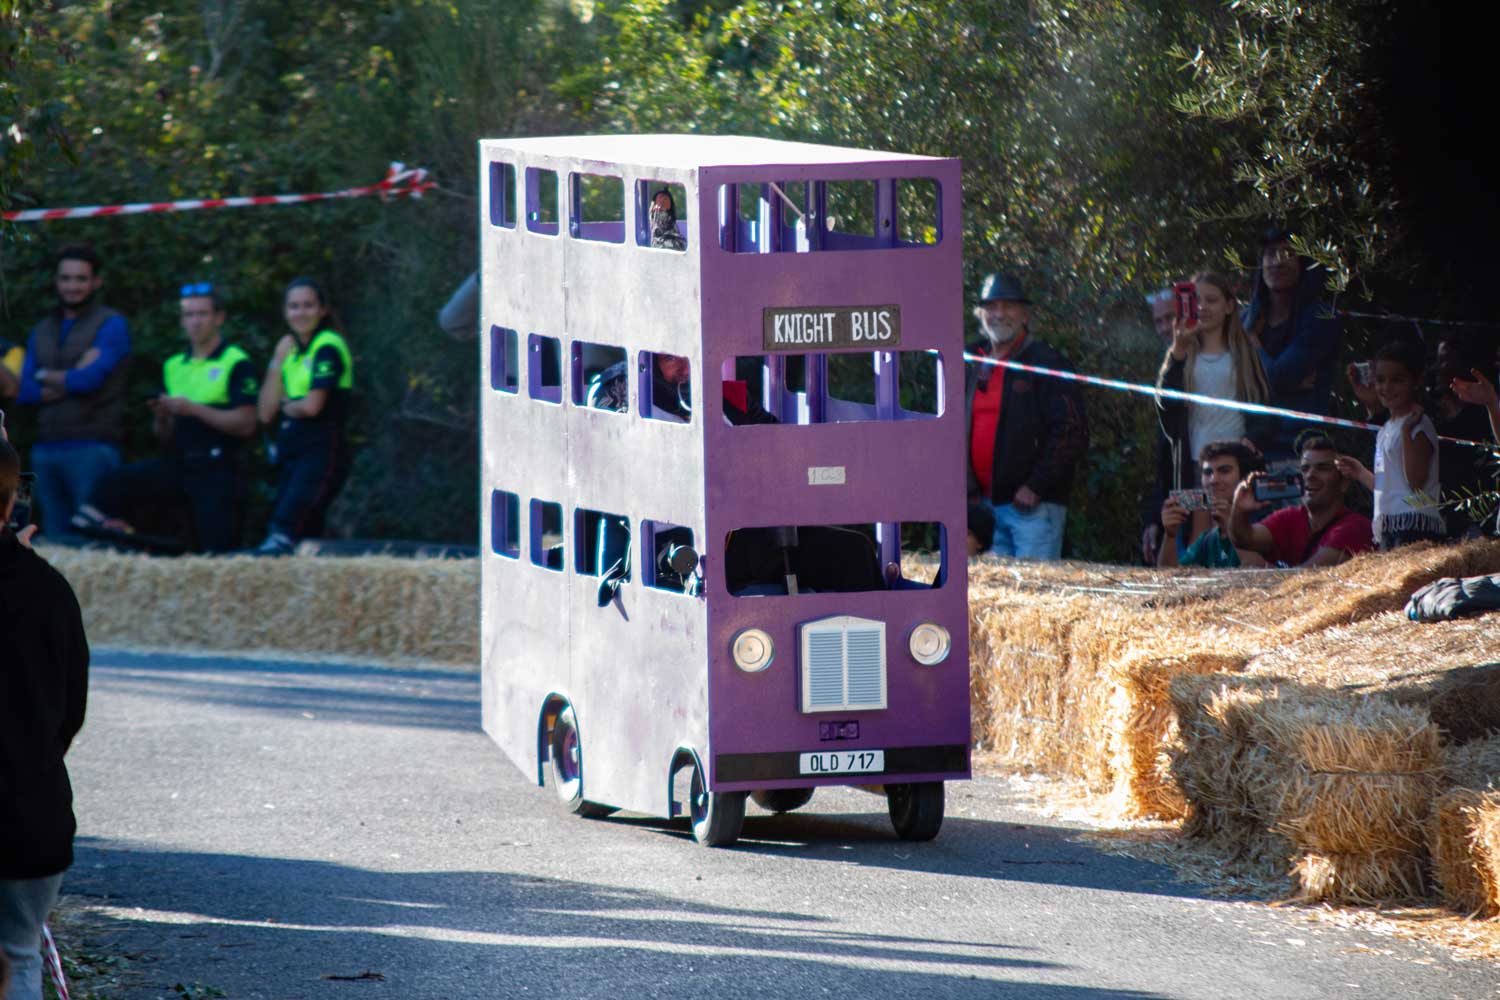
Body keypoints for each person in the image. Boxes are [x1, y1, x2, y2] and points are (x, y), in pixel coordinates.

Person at [1, 437, 90, 1000]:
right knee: (20, 955)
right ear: (12, 504)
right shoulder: (48, 590)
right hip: (30, 818)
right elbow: (69, 712)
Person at [72, 283, 259, 552]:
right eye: (189, 315)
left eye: (202, 314)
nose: (195, 322)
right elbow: (162, 435)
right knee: (116, 483)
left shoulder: (236, 361)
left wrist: (194, 409)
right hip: (179, 463)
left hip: (218, 468)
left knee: (215, 553)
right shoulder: (173, 365)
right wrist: (162, 416)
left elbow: (246, 423)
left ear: (219, 318)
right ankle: (94, 535)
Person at [10, 244, 132, 537]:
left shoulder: (112, 324)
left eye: (80, 279)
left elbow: (90, 381)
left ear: (96, 282)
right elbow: (23, 390)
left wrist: (47, 376)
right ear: (56, 281)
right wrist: (69, 375)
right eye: (66, 278)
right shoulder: (42, 329)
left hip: (93, 447)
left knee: (94, 542)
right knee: (53, 544)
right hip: (45, 449)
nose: (72, 286)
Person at [965, 271, 1088, 560]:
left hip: (1033, 508)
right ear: (980, 314)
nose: (999, 314)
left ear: (1024, 314)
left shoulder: (1046, 361)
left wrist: (1035, 485)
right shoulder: (970, 360)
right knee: (996, 598)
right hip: (982, 508)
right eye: (991, 307)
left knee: (1036, 595)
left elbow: (1071, 430)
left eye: (1008, 306)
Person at [1155, 271, 1273, 540]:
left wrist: (1253, 439)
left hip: (1237, 460)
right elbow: (1165, 406)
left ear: (1230, 306)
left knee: (1236, 533)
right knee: (1198, 537)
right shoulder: (1180, 351)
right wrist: (1178, 348)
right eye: (1195, 300)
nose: (1203, 307)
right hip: (1195, 462)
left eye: (1212, 300)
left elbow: (1266, 405)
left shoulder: (1245, 352)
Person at [252, 278, 354, 555]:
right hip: (293, 450)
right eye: (294, 306)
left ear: (322, 310)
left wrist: (288, 404)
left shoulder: (328, 345)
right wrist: (276, 361)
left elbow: (311, 407)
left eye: (308, 305)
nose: (300, 312)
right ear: (285, 312)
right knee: (303, 535)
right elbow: (264, 412)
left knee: (284, 530)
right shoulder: (291, 351)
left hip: (322, 449)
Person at [1242, 227, 1343, 464]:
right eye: (1270, 253)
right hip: (1249, 447)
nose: (1277, 262)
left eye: (1287, 253)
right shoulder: (1244, 319)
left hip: (1301, 450)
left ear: (1303, 263)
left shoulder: (1322, 317)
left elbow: (1279, 377)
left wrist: (1253, 346)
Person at [1334, 341, 1443, 550]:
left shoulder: (1417, 424)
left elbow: (1414, 483)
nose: (1386, 388)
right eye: (1380, 380)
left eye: (1397, 380)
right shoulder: (1386, 428)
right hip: (1391, 526)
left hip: (1414, 527)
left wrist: (1405, 432)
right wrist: (1359, 472)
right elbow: (1390, 487)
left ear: (1416, 381)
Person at [1228, 434, 1374, 567]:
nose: (1310, 475)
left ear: (1344, 483)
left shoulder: (1356, 527)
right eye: (1305, 469)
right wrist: (1238, 509)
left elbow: (1305, 576)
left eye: (1322, 468)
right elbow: (1244, 538)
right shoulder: (1290, 517)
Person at [1157, 440, 1266, 568]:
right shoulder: (1209, 539)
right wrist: (1170, 535)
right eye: (1207, 473)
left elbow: (1260, 572)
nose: (1213, 480)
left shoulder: (1265, 522)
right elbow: (1169, 577)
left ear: (1245, 477)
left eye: (1224, 471)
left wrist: (1232, 527)